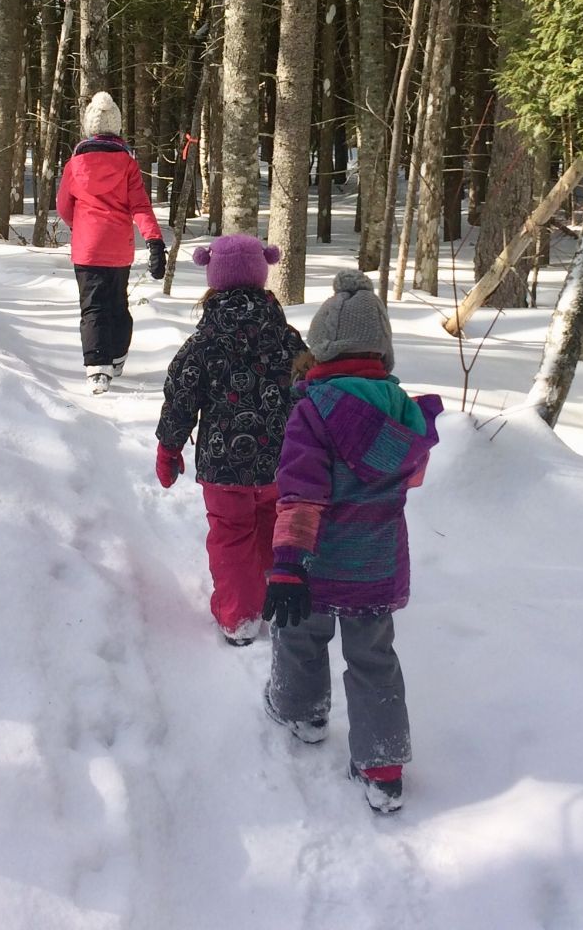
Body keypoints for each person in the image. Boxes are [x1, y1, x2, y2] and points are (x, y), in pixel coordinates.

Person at [261, 269, 441, 815]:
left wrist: (288, 565)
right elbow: (409, 477)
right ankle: (382, 766)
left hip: (317, 563)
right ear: (382, 352)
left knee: (299, 637)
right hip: (376, 563)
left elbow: (299, 495)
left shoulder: (312, 411)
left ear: (320, 349)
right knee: (373, 658)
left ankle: (302, 711)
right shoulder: (404, 410)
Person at [154, 234, 309, 647]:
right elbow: (309, 389)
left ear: (213, 280)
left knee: (230, 535)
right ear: (261, 277)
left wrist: (169, 446)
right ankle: (280, 603)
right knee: (275, 529)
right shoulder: (288, 338)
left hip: (224, 468)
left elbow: (180, 396)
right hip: (282, 463)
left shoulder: (204, 343)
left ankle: (240, 616)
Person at [56, 91, 167, 393]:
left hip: (87, 249)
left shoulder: (74, 165)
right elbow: (141, 207)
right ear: (116, 129)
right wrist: (154, 241)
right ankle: (117, 356)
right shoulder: (127, 165)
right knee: (118, 303)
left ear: (89, 128)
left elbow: (64, 207)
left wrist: (80, 226)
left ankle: (96, 368)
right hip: (118, 250)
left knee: (93, 308)